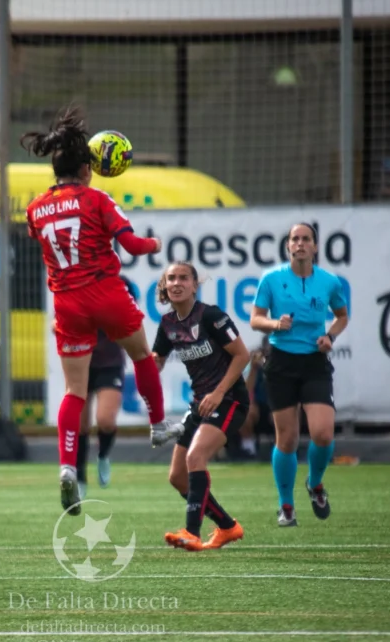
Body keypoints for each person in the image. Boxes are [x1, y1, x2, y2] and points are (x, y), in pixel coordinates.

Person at [21, 106, 184, 515]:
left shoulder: (36, 208)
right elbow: (131, 246)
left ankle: (66, 468)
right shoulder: (96, 199)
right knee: (142, 354)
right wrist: (155, 246)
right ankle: (159, 425)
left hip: (68, 303)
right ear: (87, 169)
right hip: (105, 292)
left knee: (75, 392)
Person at [250, 223, 349, 527]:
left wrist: (330, 336)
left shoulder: (329, 282)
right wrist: (274, 325)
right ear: (288, 247)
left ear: (315, 247)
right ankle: (286, 506)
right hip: (281, 363)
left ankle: (315, 484)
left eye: (306, 239)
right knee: (288, 439)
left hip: (314, 363)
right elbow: (255, 319)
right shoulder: (272, 279)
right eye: (295, 239)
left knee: (323, 434)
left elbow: (342, 316)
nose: (301, 244)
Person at [153, 262, 249, 551]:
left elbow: (243, 356)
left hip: (229, 400)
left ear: (195, 285)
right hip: (200, 404)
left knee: (195, 458)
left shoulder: (211, 315)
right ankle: (228, 527)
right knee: (177, 477)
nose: (177, 283)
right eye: (171, 278)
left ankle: (192, 533)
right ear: (165, 286)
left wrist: (219, 393)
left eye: (184, 278)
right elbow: (155, 361)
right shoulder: (168, 324)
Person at [76, 329, 124, 497]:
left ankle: (103, 455)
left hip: (109, 362)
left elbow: (129, 321)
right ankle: (80, 477)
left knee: (106, 420)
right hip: (78, 361)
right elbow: (58, 320)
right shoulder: (72, 300)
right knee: (80, 425)